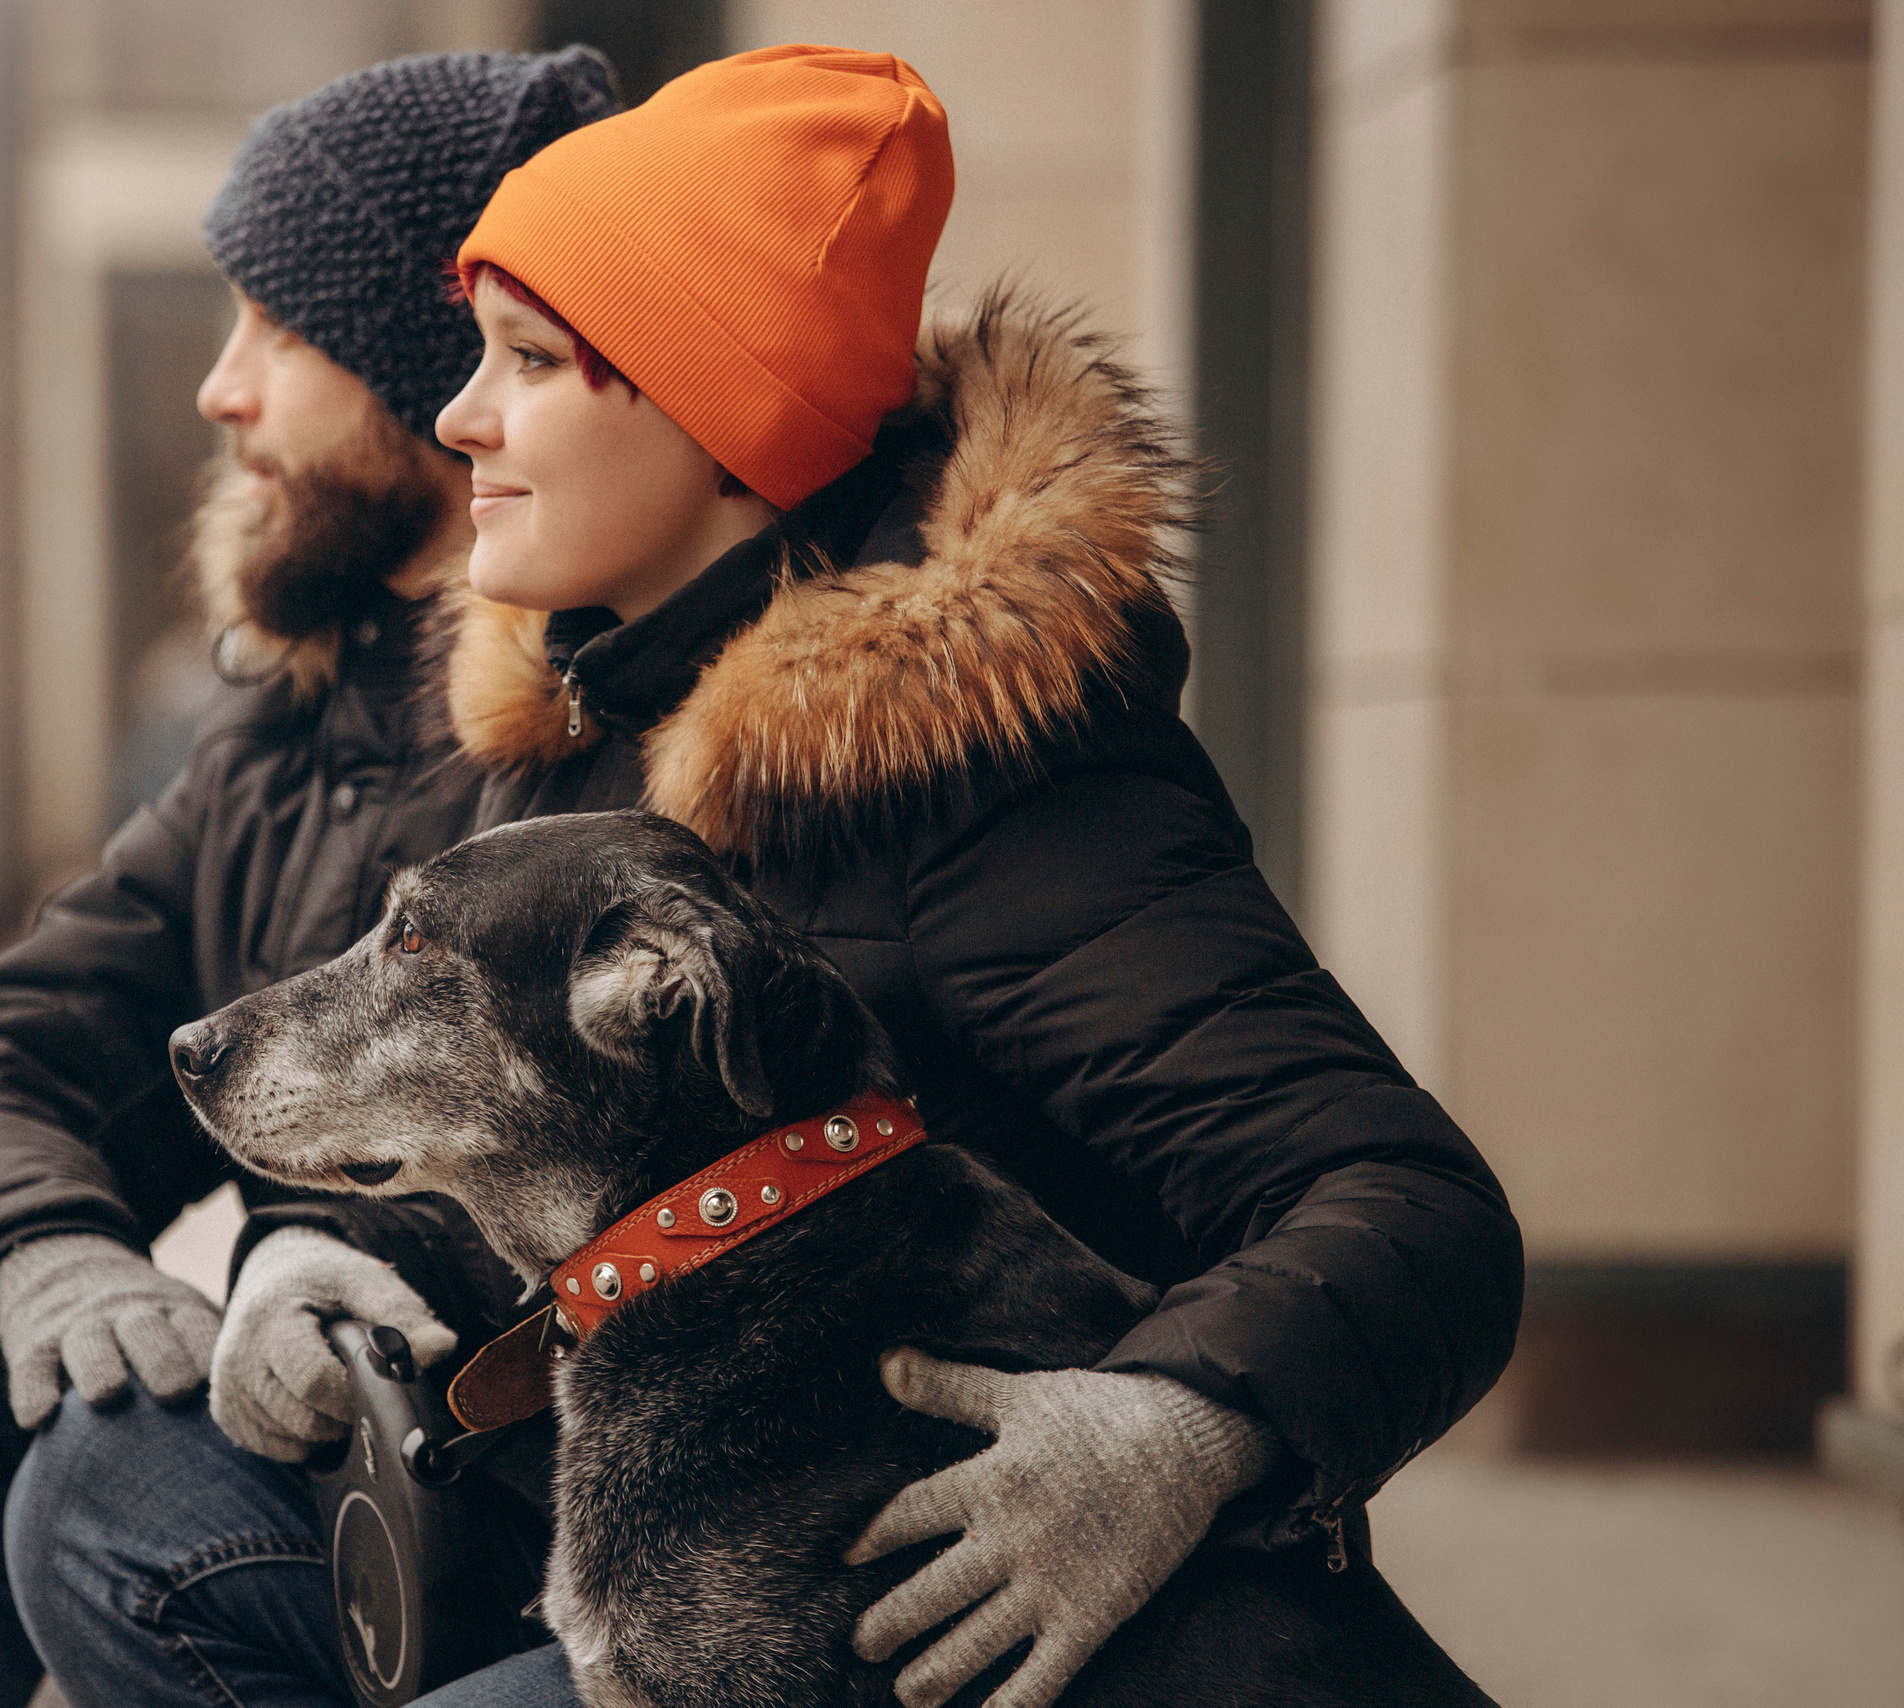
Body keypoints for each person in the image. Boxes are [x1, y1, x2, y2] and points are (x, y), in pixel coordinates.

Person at [412, 43, 1522, 1707]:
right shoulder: (587, 723)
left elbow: (1410, 1212)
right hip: (667, 1549)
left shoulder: (990, 779)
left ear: (721, 416)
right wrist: (310, 1254)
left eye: (528, 360)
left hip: (952, 1634)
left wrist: (1159, 1435)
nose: (459, 416)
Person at [0, 48, 617, 1708]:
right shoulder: (295, 721)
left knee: (109, 1507)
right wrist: (48, 1255)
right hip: (364, 1428)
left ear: (437, 370)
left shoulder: (614, 732)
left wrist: (272, 1264)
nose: (224, 392)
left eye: (275, 333)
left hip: (554, 1498)